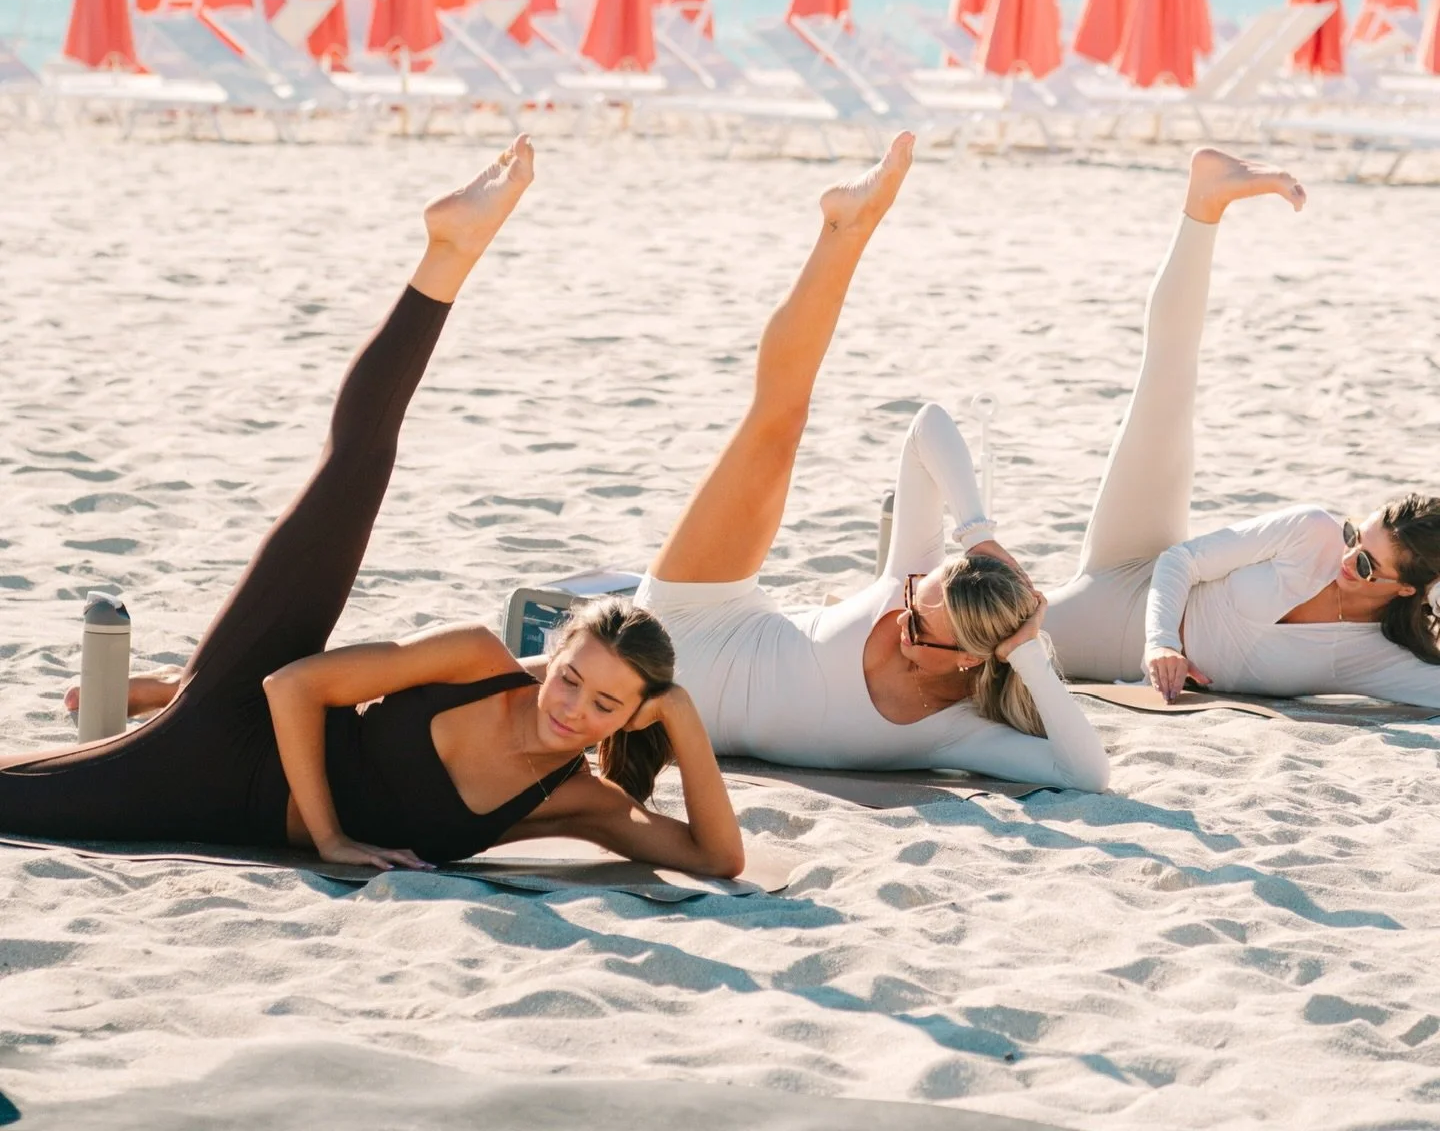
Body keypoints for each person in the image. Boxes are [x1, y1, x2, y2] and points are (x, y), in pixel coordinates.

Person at [2, 141, 743, 879]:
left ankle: (166, 692)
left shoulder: (573, 799)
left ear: (634, 717)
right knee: (360, 463)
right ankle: (449, 254)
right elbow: (290, 686)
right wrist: (330, 840)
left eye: (608, 705)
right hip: (230, 731)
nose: (575, 709)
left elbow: (717, 858)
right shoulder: (476, 661)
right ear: (555, 655)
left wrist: (678, 711)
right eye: (572, 677)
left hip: (206, 793)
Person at [635, 134, 1111, 793]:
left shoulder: (956, 730)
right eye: (917, 593)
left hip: (643, 697)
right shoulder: (908, 586)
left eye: (917, 624)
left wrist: (1028, 650)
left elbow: (1087, 774)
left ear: (972, 662)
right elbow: (927, 428)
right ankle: (844, 229)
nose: (899, 614)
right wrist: (977, 532)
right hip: (699, 613)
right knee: (778, 420)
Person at [907, 146, 1440, 710]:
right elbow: (1179, 561)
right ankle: (1205, 201)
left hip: (1101, 631)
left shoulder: (1374, 656)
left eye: (1362, 563)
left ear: (1405, 588)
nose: (1343, 555)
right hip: (1131, 595)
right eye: (1357, 533)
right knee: (1169, 375)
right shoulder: (1312, 532)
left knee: (979, 642)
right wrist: (1161, 644)